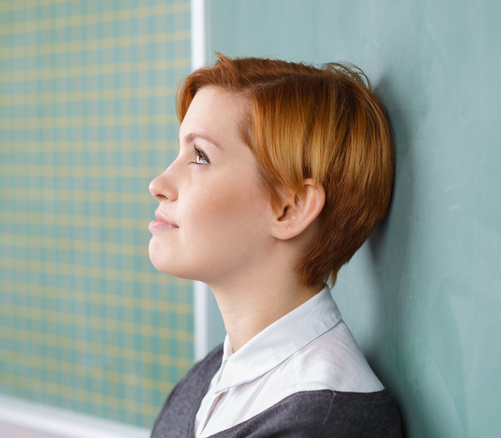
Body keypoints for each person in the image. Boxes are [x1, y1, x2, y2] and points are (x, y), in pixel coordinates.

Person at [148, 53, 402, 437]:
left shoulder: (323, 425)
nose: (159, 183)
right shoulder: (207, 381)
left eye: (200, 156)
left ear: (290, 208)